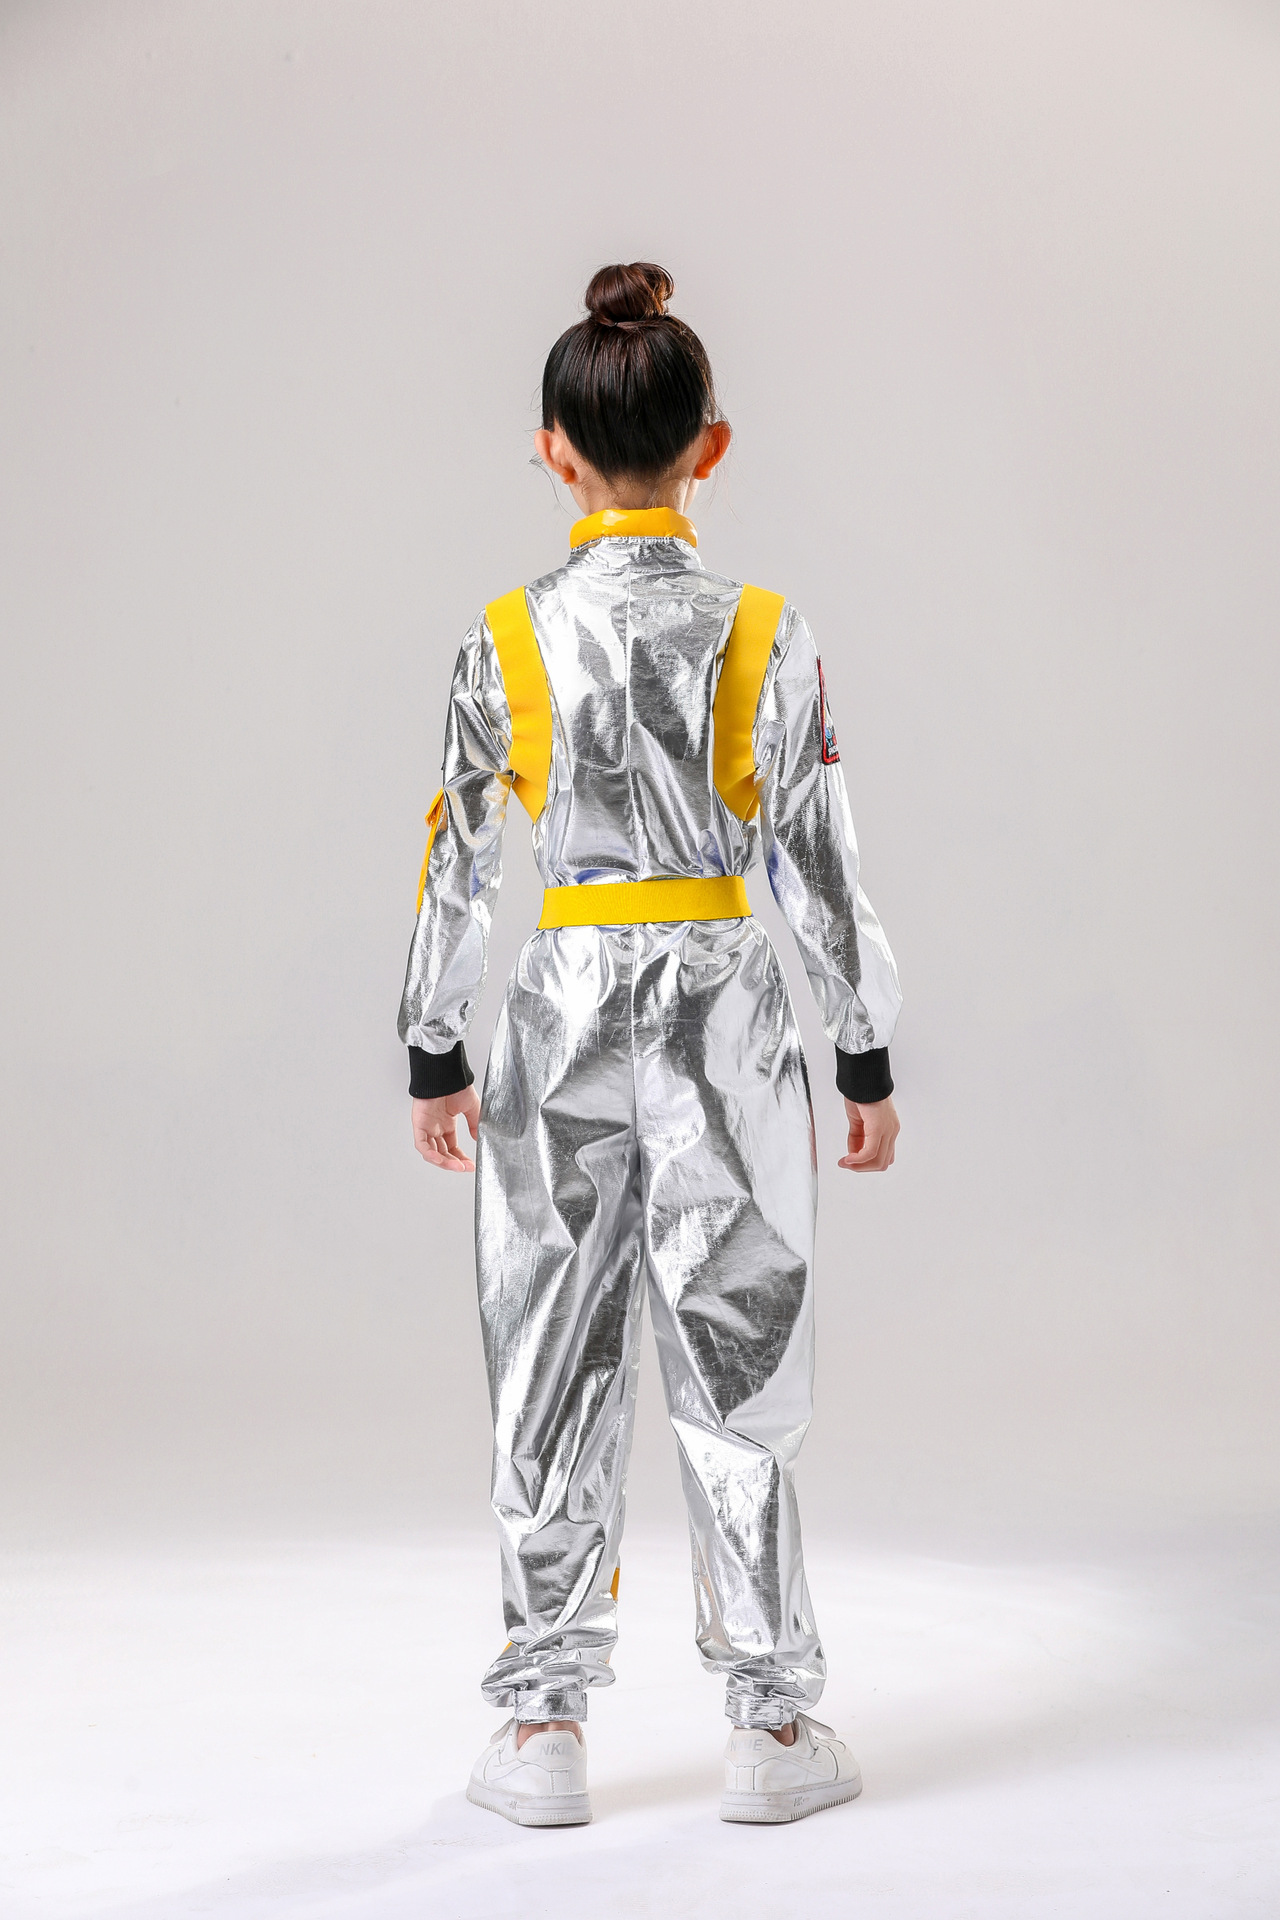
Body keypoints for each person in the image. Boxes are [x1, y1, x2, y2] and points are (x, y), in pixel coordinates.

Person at [398, 262, 902, 1828]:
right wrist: (863, 1051)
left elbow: (459, 857)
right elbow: (818, 859)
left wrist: (435, 1045)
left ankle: (543, 1724)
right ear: (712, 447)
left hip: (558, 1007)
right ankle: (772, 1726)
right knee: (738, 1356)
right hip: (723, 1010)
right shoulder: (766, 632)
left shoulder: (504, 637)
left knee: (548, 1354)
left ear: (553, 451)